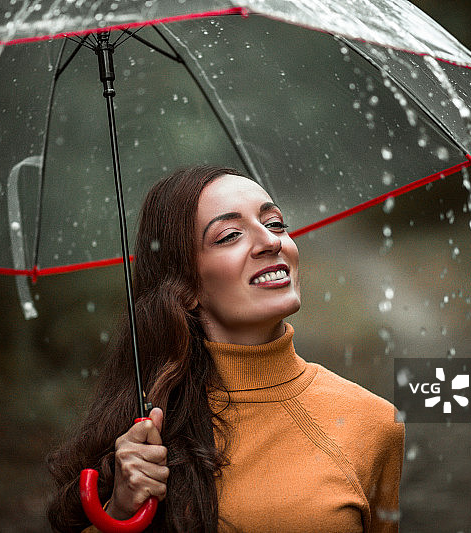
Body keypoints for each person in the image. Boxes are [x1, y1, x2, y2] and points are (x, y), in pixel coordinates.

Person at [47, 165, 404, 532]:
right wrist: (122, 511)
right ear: (185, 287)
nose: (271, 241)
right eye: (230, 235)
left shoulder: (374, 424)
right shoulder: (144, 435)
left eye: (276, 223)